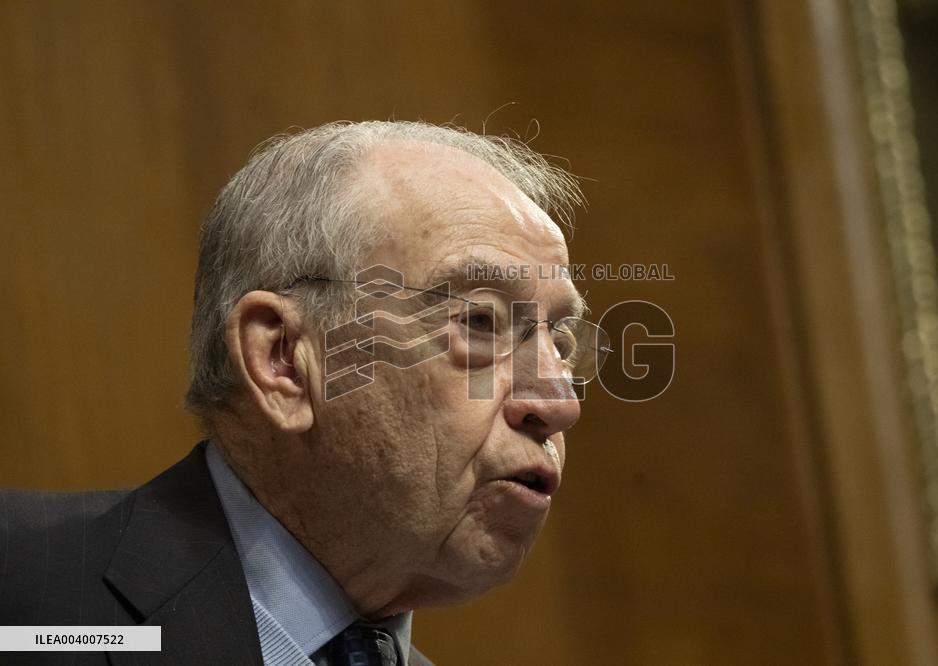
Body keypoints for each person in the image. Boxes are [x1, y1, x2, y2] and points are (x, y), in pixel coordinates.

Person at [0, 120, 600, 665]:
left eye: (563, 344)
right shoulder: (28, 598)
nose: (558, 403)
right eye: (478, 322)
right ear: (283, 359)